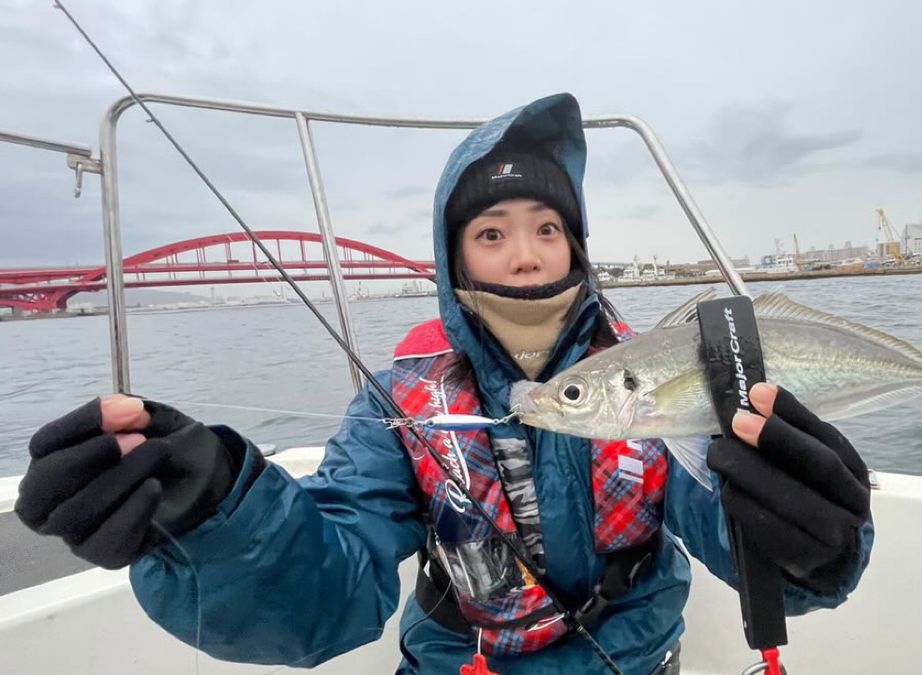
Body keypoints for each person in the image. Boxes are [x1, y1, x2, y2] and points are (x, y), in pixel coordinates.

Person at [15, 93, 874, 674]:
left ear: (579, 246)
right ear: (451, 255)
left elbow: (733, 528)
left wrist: (813, 539)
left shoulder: (652, 375)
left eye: (548, 226)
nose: (527, 252)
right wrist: (210, 514)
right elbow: (332, 578)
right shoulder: (400, 399)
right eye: (491, 232)